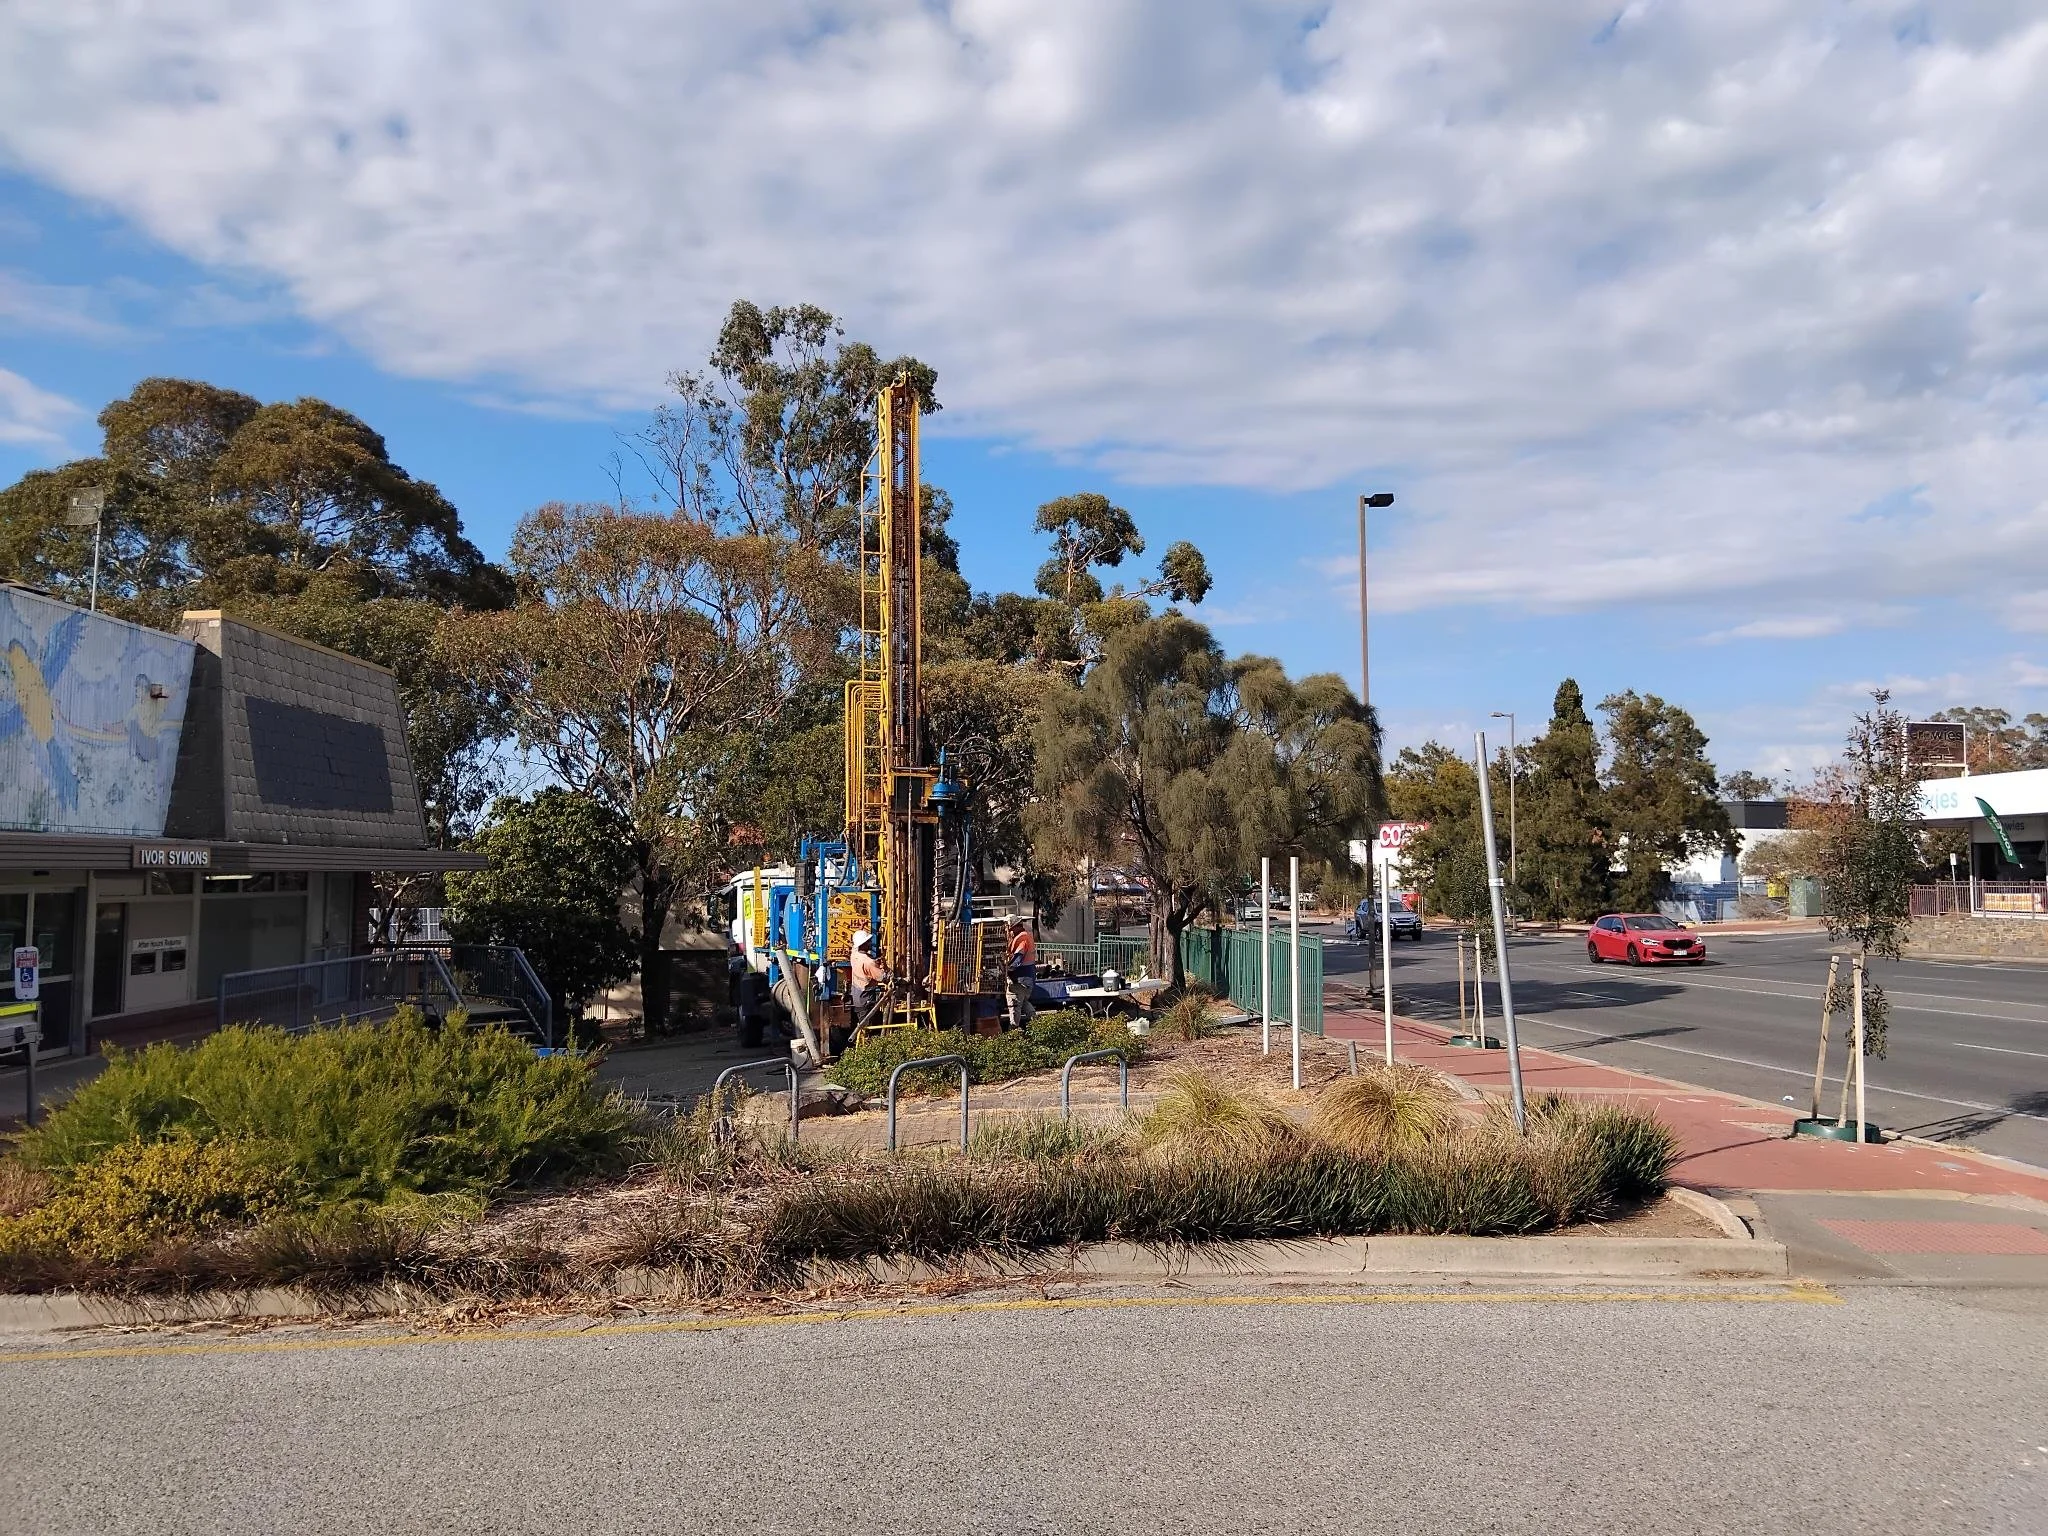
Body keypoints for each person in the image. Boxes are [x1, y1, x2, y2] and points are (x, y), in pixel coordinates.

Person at [1004, 914, 1037, 1030]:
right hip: (1027, 978)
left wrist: (1006, 969)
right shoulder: (1025, 936)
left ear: (1015, 926)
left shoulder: (1021, 938)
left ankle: (1013, 1030)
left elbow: (1018, 958)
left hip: (1020, 979)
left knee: (1014, 1003)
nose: (1008, 930)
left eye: (1009, 927)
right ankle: (1036, 1024)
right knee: (1023, 1002)